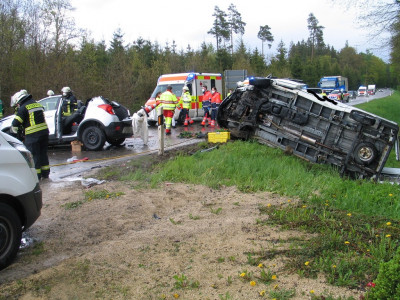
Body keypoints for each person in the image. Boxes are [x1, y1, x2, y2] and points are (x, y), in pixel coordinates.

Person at [10, 89, 50, 179]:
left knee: (34, 155)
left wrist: (15, 135)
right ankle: (46, 173)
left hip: (33, 135)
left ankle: (37, 176)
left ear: (19, 100)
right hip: (44, 133)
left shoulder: (23, 107)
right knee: (43, 153)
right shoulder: (36, 104)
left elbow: (15, 123)